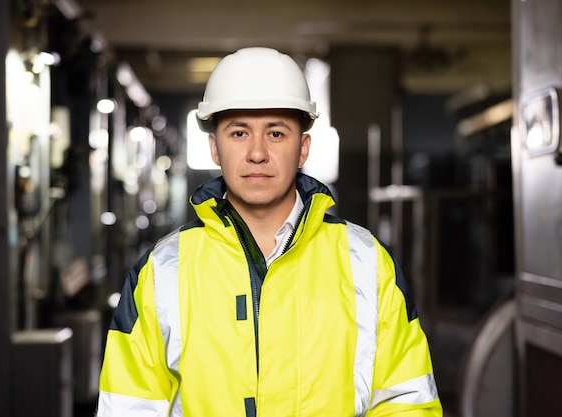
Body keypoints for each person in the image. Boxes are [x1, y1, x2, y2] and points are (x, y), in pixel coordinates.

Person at [96, 47, 442, 417]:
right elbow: (130, 407)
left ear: (303, 148)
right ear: (214, 147)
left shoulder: (367, 262)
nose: (257, 153)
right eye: (239, 132)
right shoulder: (161, 270)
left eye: (276, 133)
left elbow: (406, 403)